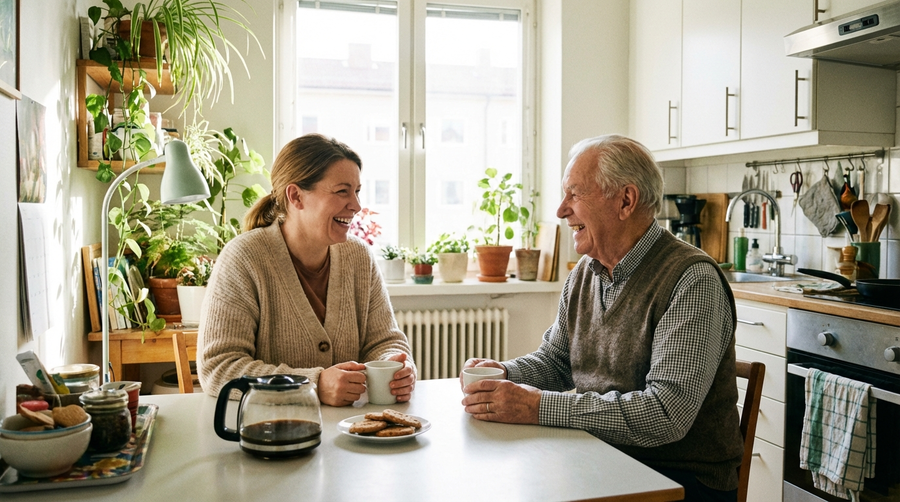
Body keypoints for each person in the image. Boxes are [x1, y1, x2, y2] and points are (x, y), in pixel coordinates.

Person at [461, 134, 743, 501]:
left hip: (679, 481)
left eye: (574, 195)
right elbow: (557, 361)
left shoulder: (692, 280)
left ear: (625, 200)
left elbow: (665, 413)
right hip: (603, 456)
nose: (562, 211)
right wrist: (504, 375)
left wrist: (537, 406)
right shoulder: (585, 271)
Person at [198, 133, 416, 406]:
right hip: (271, 436)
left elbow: (385, 341)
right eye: (342, 191)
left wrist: (393, 368)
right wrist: (312, 384)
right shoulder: (243, 259)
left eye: (357, 191)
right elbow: (219, 368)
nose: (357, 205)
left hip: (347, 433)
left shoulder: (359, 257)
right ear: (296, 196)